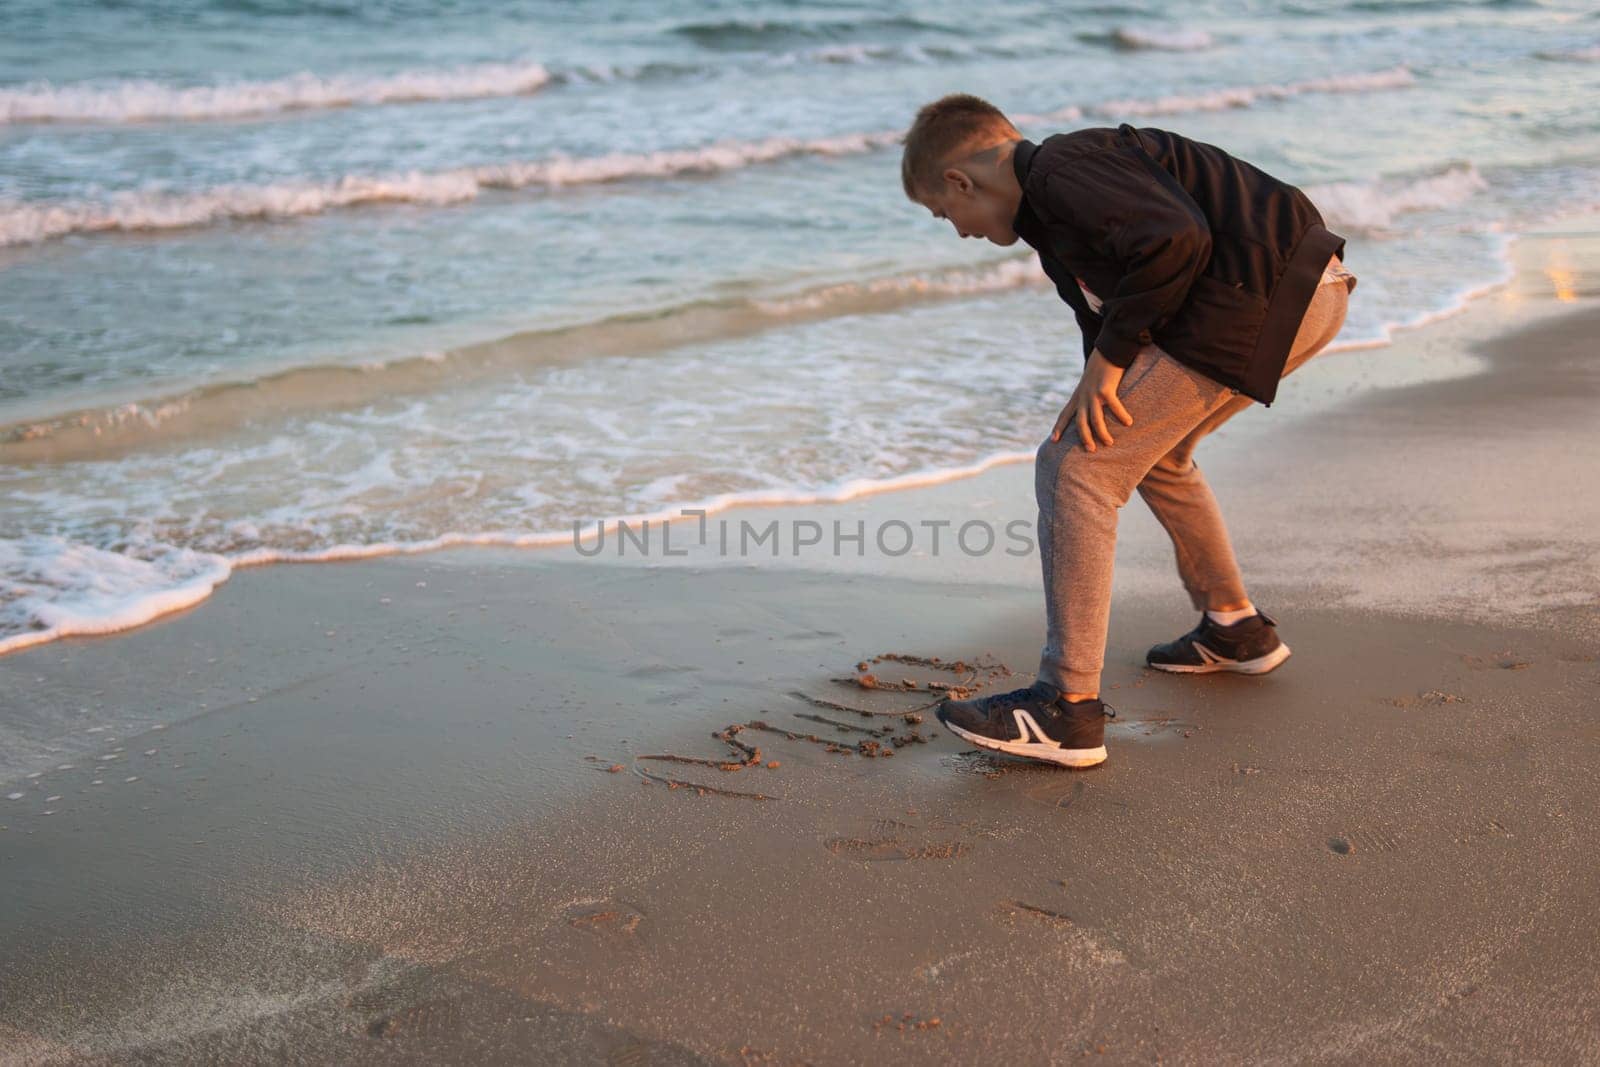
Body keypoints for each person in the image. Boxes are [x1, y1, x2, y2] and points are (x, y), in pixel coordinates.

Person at [903, 94, 1357, 769]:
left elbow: (1176, 238)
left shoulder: (1060, 168)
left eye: (946, 214)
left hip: (1255, 291)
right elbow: (1109, 320)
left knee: (1076, 469)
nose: (958, 230)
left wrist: (1110, 367)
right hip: (1304, 290)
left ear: (960, 180)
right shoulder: (1054, 223)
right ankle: (1235, 628)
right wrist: (1102, 373)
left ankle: (1066, 705)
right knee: (1153, 456)